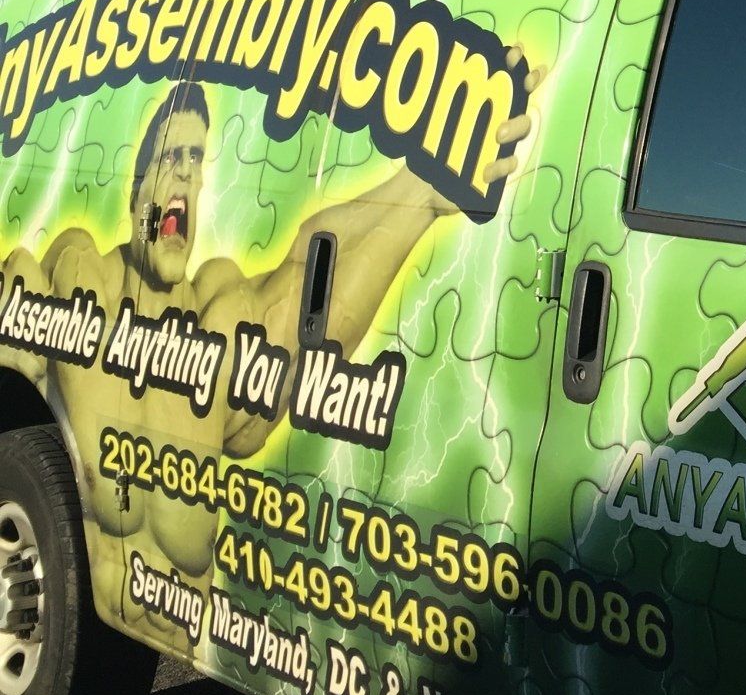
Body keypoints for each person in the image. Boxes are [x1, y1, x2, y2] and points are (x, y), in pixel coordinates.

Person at [0, 54, 540, 650]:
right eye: (170, 159)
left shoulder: (221, 318)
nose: (184, 177)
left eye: (195, 161)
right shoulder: (81, 280)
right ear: (135, 187)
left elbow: (312, 267)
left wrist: (420, 187)